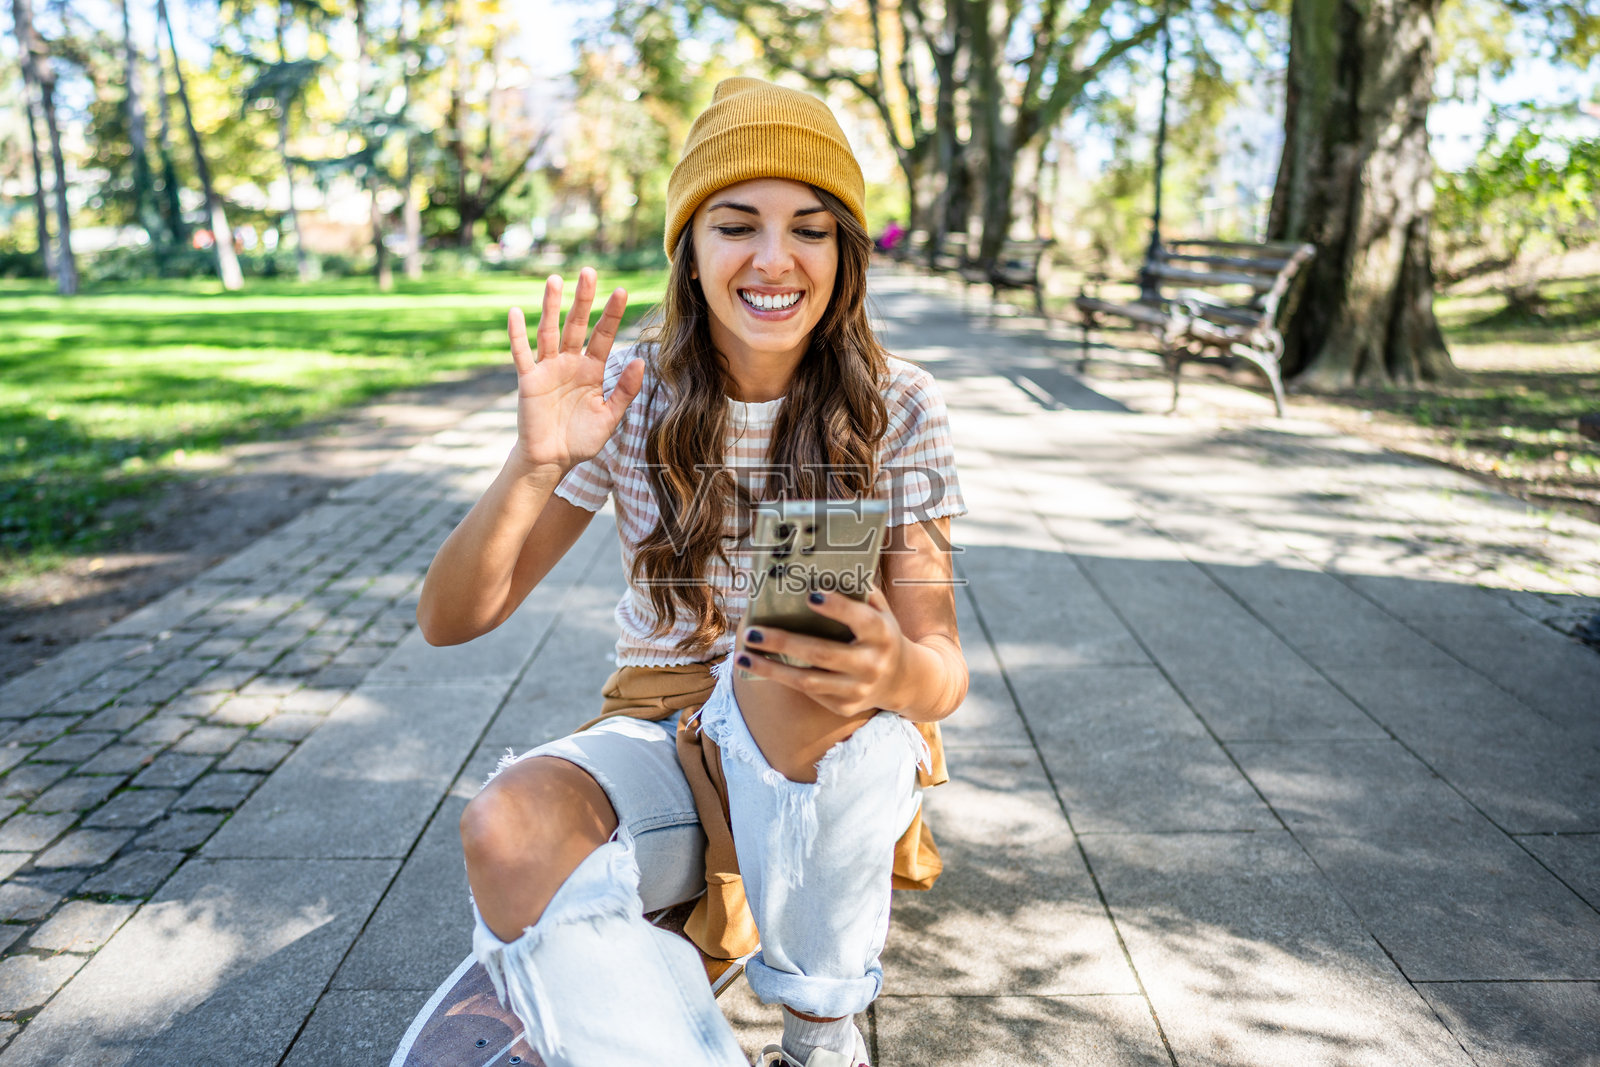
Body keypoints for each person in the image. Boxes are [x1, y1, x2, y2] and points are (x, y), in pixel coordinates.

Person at [416, 77, 967, 1067]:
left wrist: (890, 673)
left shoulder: (899, 402)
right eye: (735, 223)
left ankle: (818, 1040)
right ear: (691, 248)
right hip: (666, 730)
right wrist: (533, 461)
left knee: (785, 649)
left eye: (808, 226)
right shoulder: (632, 392)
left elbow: (944, 670)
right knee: (506, 826)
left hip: (828, 763)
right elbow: (453, 618)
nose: (772, 257)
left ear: (844, 250)